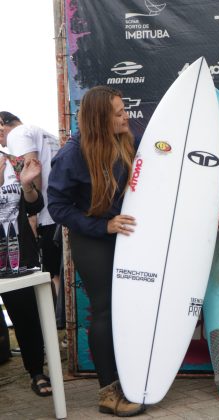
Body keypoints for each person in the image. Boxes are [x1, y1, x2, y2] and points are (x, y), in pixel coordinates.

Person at [47, 86, 145, 416]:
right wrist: (102, 226)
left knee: (126, 309)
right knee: (104, 310)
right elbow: (58, 206)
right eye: (118, 113)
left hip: (124, 236)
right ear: (100, 118)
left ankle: (129, 380)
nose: (125, 116)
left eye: (124, 110)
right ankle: (108, 393)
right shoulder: (72, 153)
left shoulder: (125, 141)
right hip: (93, 238)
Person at [0, 149, 51, 397]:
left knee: (27, 316)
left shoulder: (12, 162)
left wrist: (27, 185)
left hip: (19, 255)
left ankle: (36, 372)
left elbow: (34, 205)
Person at [0, 112, 62, 304]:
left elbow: (32, 171)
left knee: (51, 273)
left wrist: (32, 220)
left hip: (45, 216)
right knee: (57, 272)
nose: (3, 142)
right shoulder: (44, 134)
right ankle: (60, 317)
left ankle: (58, 318)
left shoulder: (17, 135)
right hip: (58, 211)